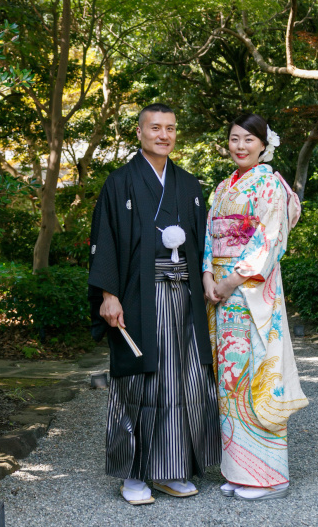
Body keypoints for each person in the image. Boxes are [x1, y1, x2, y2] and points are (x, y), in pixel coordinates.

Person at [88, 103, 221, 505]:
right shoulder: (120, 182)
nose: (164, 135)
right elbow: (106, 239)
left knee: (184, 380)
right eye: (156, 128)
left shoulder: (189, 184)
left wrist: (209, 279)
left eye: (171, 129)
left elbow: (204, 243)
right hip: (139, 298)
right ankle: (133, 474)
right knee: (139, 381)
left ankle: (172, 469)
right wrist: (108, 295)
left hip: (184, 298)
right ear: (140, 132)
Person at [203, 113, 308, 502]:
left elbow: (269, 240)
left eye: (249, 139)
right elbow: (208, 237)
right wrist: (207, 275)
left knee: (256, 378)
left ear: (264, 145)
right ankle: (240, 472)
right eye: (234, 138)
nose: (241, 146)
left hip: (249, 292)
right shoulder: (222, 187)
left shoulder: (269, 183)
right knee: (230, 381)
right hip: (221, 294)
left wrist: (231, 280)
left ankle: (271, 478)